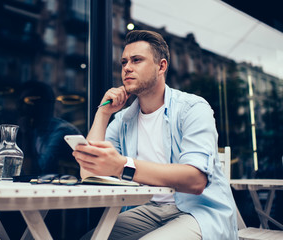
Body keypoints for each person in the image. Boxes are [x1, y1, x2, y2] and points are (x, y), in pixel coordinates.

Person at [73, 30, 238, 240]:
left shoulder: (192, 108)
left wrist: (122, 165)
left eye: (136, 60)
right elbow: (89, 173)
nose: (127, 68)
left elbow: (195, 180)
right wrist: (103, 113)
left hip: (199, 211)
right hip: (148, 209)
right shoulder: (124, 119)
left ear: (161, 66)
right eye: (124, 62)